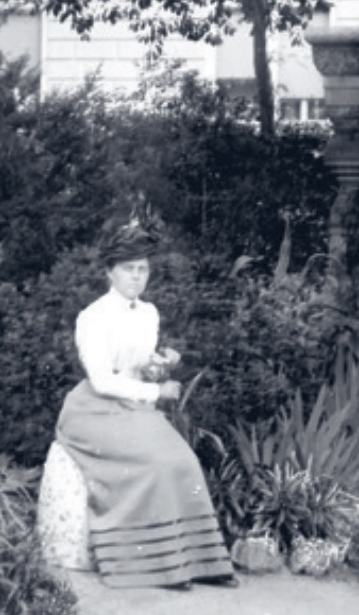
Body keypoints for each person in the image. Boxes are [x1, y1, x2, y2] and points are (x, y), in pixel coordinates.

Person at [53, 219, 236, 590]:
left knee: (184, 462)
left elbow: (141, 367)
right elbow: (103, 380)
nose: (136, 277)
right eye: (128, 269)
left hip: (134, 406)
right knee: (155, 464)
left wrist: (160, 364)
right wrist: (157, 392)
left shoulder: (149, 313)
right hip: (94, 410)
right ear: (109, 272)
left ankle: (201, 561)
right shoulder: (92, 317)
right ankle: (158, 566)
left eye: (143, 269)